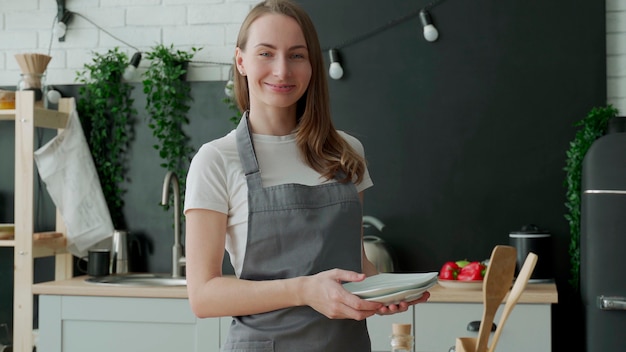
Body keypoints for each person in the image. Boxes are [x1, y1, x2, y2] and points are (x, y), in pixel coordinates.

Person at [183, 0, 430, 350]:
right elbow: (203, 296)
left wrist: (386, 292)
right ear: (241, 61)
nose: (282, 70)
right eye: (266, 53)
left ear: (312, 64)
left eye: (297, 55)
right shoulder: (217, 160)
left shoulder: (346, 153)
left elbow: (355, 262)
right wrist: (303, 290)